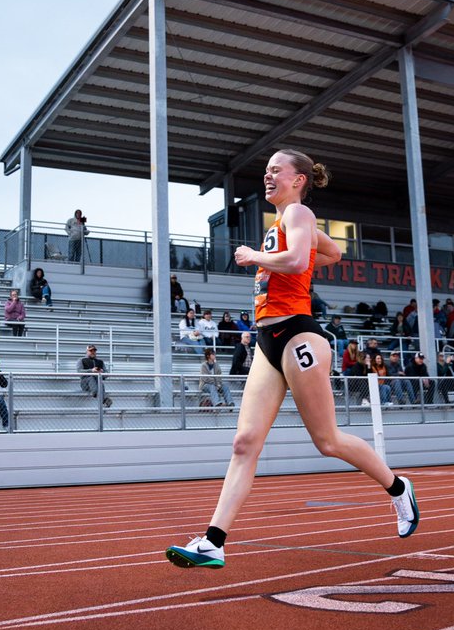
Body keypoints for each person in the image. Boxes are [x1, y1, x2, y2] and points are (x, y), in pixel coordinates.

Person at [166, 148, 419, 569]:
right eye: (265, 171)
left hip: (299, 335)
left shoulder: (299, 213)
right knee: (244, 443)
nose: (267, 176)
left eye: (275, 170)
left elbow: (299, 259)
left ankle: (398, 488)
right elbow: (331, 254)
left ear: (298, 180)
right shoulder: (287, 221)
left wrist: (255, 256)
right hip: (267, 339)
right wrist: (296, 254)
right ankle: (213, 542)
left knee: (327, 441)